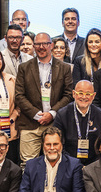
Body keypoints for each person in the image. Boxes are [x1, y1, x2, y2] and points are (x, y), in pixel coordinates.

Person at [15, 31, 74, 161]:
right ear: (34, 46)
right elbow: (19, 96)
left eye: (45, 44)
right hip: (30, 124)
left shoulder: (64, 68)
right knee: (27, 164)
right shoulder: (24, 68)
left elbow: (69, 95)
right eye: (38, 44)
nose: (41, 47)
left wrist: (52, 113)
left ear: (51, 45)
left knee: (55, 161)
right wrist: (37, 114)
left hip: (55, 123)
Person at [52, 80, 101, 166]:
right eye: (80, 93)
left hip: (95, 164)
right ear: (74, 94)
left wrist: (93, 165)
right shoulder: (62, 114)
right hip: (68, 163)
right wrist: (73, 164)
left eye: (88, 94)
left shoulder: (100, 115)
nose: (84, 97)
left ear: (93, 96)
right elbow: (57, 144)